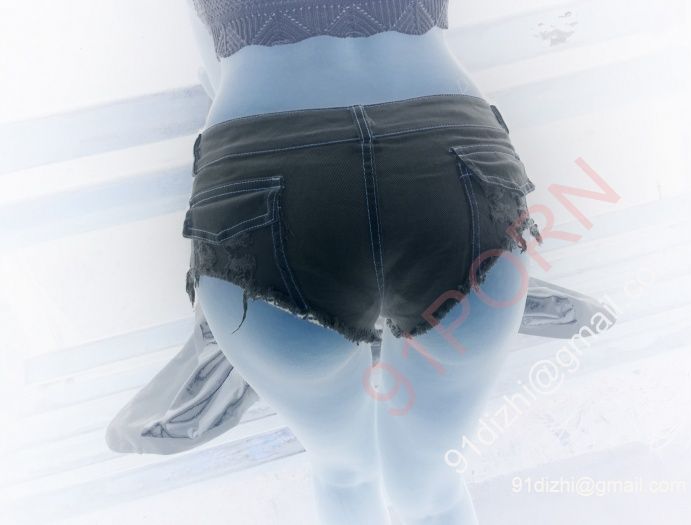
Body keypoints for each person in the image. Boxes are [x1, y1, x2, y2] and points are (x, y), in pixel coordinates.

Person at [181, 2, 542, 523]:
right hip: (450, 153)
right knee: (433, 487)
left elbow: (214, 70)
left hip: (262, 168)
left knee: (345, 472)